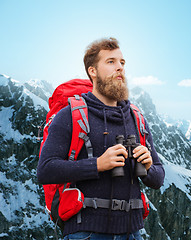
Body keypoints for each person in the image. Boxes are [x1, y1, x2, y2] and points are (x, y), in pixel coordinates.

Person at [37, 37, 165, 240]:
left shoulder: (136, 118)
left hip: (133, 232)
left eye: (122, 62)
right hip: (86, 232)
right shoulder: (71, 115)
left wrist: (148, 167)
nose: (120, 68)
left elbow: (158, 179)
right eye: (111, 62)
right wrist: (97, 164)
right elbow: (45, 170)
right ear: (92, 71)